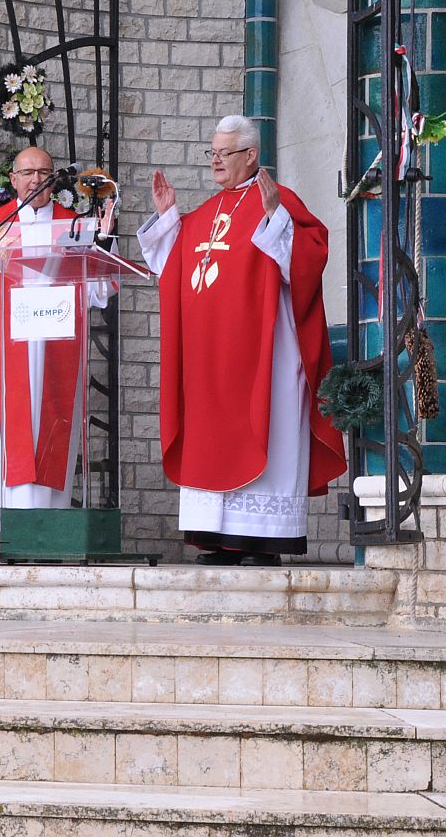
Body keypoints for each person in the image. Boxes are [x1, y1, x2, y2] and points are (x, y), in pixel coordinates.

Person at [137, 115, 346, 564]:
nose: (214, 161)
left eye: (223, 153)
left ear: (251, 155)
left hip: (264, 353)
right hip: (210, 359)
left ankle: (262, 541)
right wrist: (168, 219)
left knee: (265, 428)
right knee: (212, 440)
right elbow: (172, 268)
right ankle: (217, 539)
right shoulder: (207, 212)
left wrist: (275, 221)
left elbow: (310, 260)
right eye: (211, 153)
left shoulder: (279, 200)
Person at [0, 146, 115, 537]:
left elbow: (101, 291)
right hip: (2, 348)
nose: (36, 179)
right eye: (28, 172)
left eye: (44, 173)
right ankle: (1, 528)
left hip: (58, 345)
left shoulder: (77, 228)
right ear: (14, 180)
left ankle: (48, 527)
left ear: (54, 180)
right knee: (2, 430)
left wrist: (103, 240)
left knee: (53, 425)